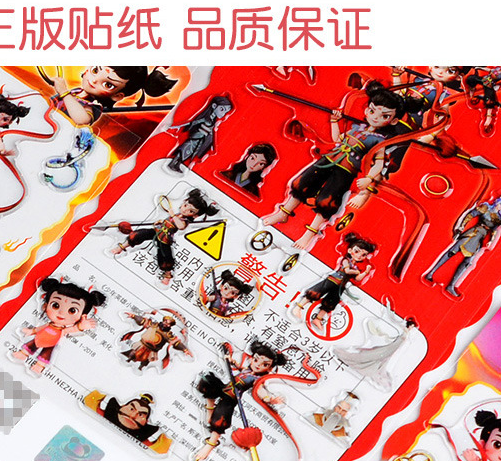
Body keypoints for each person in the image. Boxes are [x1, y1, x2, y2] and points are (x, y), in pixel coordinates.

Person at [262, 82, 405, 250]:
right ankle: (283, 213)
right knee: (302, 183)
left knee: (327, 200)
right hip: (329, 160)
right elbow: (337, 139)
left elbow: (378, 162)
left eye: (385, 116)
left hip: (346, 170)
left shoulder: (380, 140)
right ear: (367, 110)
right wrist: (334, 121)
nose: (375, 117)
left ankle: (309, 234)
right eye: (372, 111)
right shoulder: (356, 127)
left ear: (394, 120)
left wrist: (368, 178)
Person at [194, 341, 286, 461]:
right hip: (224, 389)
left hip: (231, 399)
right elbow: (238, 366)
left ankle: (210, 444)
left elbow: (260, 390)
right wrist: (230, 359)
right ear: (252, 358)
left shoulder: (256, 379)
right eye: (256, 360)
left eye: (264, 364)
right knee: (207, 382)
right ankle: (210, 408)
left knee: (219, 421)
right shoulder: (247, 370)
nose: (258, 365)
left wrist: (269, 399)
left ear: (269, 368)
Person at [113, 188, 219, 285]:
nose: (185, 210)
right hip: (158, 231)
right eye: (186, 205)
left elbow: (181, 226)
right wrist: (160, 223)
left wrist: (172, 215)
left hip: (165, 238)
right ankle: (121, 247)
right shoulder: (177, 215)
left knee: (165, 257)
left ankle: (167, 276)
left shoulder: (184, 220)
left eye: (191, 211)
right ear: (184, 202)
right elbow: (167, 222)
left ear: (195, 215)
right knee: (139, 234)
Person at [13, 277, 106, 373]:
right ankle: (23, 353)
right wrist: (31, 331)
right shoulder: (49, 324)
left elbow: (73, 329)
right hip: (40, 337)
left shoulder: (63, 330)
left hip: (52, 342)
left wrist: (81, 326)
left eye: (72, 310)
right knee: (32, 344)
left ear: (83, 315)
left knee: (46, 353)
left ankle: (39, 365)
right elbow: (40, 328)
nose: (61, 313)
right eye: (55, 305)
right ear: (45, 306)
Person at [292, 232, 376, 332]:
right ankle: (298, 307)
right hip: (332, 280)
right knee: (316, 292)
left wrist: (366, 271)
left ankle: (318, 319)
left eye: (363, 255)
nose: (359, 256)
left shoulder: (356, 267)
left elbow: (357, 279)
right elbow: (347, 271)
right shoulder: (346, 260)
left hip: (340, 286)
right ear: (350, 250)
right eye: (356, 251)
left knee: (331, 302)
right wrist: (357, 272)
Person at [423, 197, 501, 297]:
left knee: (468, 262)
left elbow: (494, 230)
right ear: (497, 203)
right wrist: (461, 227)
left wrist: (491, 241)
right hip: (472, 234)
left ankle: (451, 286)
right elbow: (470, 215)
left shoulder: (498, 218)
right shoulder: (485, 208)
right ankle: (431, 273)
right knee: (452, 252)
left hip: (479, 239)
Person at [50, 67, 176, 126]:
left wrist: (64, 92)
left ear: (117, 96)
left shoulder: (93, 106)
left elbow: (82, 120)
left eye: (107, 85)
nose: (94, 81)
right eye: (95, 71)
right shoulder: (76, 92)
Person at [167, 95, 234, 171]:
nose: (223, 114)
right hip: (195, 137)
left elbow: (211, 132)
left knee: (190, 153)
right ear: (214, 106)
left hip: (201, 140)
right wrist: (176, 126)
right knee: (184, 150)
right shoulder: (206, 118)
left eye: (226, 112)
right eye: (222, 109)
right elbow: (193, 122)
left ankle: (178, 165)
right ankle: (172, 163)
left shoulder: (213, 121)